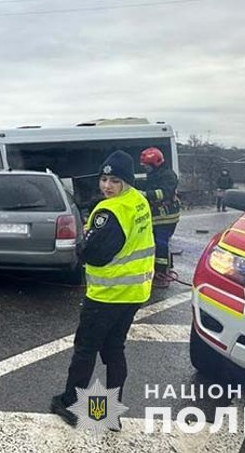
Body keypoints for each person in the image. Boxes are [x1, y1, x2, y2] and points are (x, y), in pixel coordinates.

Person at [51, 150, 154, 430]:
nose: (107, 186)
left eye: (115, 181)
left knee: (85, 350)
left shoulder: (109, 212)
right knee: (115, 349)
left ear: (127, 181)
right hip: (134, 293)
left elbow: (94, 254)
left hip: (107, 296)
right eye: (104, 179)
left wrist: (82, 244)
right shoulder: (138, 200)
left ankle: (69, 403)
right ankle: (111, 413)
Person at [139, 147, 180, 286]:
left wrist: (145, 194)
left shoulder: (168, 175)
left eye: (146, 165)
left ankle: (161, 272)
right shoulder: (155, 174)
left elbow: (164, 193)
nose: (145, 168)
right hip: (157, 215)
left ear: (154, 164)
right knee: (155, 242)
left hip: (167, 216)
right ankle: (161, 267)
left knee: (161, 243)